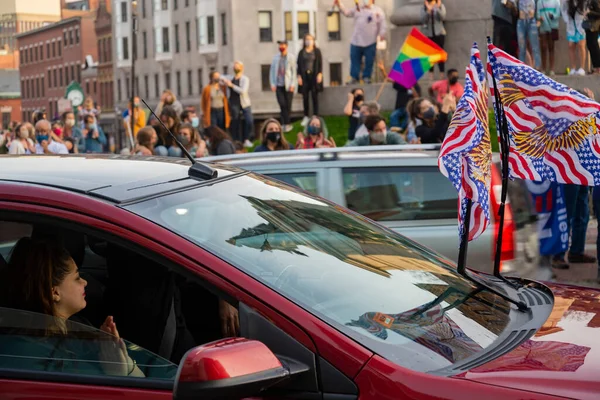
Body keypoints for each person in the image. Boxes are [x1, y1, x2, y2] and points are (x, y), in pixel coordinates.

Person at [1, 238, 144, 377]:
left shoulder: (77, 325)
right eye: (77, 278)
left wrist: (124, 360)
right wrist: (117, 374)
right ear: (55, 292)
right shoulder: (38, 358)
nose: (85, 282)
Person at [335, 0, 387, 84]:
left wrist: (382, 34)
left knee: (369, 60)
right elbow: (347, 13)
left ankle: (366, 77)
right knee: (355, 60)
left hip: (371, 41)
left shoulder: (378, 11)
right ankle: (354, 77)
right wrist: (339, 5)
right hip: (356, 40)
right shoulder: (357, 8)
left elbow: (382, 24)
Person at [222, 61, 254, 147]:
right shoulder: (230, 78)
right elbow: (221, 77)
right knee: (235, 122)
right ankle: (236, 140)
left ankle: (247, 139)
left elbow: (243, 91)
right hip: (233, 103)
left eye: (237, 67)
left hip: (244, 103)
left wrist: (231, 85)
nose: (236, 68)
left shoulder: (245, 79)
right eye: (235, 67)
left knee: (249, 120)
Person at [270, 39, 296, 133]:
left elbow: (294, 71)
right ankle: (285, 123)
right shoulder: (275, 58)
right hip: (279, 85)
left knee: (288, 105)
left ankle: (286, 123)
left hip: (288, 85)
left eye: (282, 45)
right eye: (279, 45)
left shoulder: (291, 57)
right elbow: (272, 71)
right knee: (282, 104)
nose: (281, 47)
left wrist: (293, 84)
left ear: (286, 46)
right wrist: (273, 83)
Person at [297, 33, 323, 127]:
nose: (308, 41)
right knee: (305, 97)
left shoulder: (317, 51)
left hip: (314, 75)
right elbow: (298, 65)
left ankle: (316, 115)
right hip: (304, 76)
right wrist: (299, 76)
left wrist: (320, 74)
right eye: (307, 39)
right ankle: (306, 116)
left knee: (314, 95)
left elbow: (320, 63)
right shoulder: (301, 52)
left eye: (310, 39)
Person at [509, 0, 542, 69]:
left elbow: (539, 5)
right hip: (521, 20)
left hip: (531, 20)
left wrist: (539, 20)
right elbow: (512, 4)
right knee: (522, 47)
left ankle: (538, 67)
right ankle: (522, 68)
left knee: (535, 46)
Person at [421, 0, 447, 80]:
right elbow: (423, 20)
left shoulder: (440, 6)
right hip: (429, 34)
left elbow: (443, 17)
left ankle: (441, 73)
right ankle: (431, 74)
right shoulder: (424, 8)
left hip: (439, 33)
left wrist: (436, 8)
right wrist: (428, 11)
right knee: (430, 55)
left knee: (440, 54)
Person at [562, 0, 587, 75]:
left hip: (581, 26)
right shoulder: (567, 2)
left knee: (581, 45)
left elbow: (585, 11)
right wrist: (566, 20)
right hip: (571, 26)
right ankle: (573, 68)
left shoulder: (583, 2)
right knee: (571, 46)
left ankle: (582, 68)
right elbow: (563, 11)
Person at [538, 0, 561, 75]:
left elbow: (558, 13)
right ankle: (543, 68)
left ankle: (551, 69)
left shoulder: (556, 1)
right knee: (543, 47)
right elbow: (537, 13)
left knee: (551, 47)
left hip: (552, 27)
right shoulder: (540, 2)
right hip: (543, 27)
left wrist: (553, 15)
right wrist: (539, 17)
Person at [585, 0, 600, 74]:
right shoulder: (587, 2)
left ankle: (598, 67)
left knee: (594, 45)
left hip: (594, 26)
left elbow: (599, 13)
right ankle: (595, 66)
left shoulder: (594, 2)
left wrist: (589, 12)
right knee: (589, 45)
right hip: (588, 26)